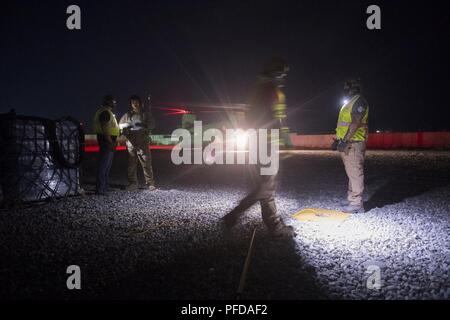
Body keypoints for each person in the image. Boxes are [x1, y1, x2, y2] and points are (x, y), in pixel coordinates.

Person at [222, 57, 296, 238]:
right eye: (283, 72)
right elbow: (279, 119)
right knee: (267, 187)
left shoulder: (257, 89)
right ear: (277, 72)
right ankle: (235, 215)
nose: (284, 76)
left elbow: (249, 117)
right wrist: (286, 141)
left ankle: (272, 224)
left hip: (256, 142)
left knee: (265, 186)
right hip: (267, 143)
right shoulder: (273, 91)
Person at [333, 79, 369, 213]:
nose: (346, 90)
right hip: (349, 142)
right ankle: (352, 199)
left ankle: (356, 204)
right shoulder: (350, 102)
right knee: (351, 173)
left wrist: (345, 141)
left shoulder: (359, 101)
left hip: (353, 143)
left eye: (347, 88)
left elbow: (355, 123)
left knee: (355, 173)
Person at [119, 95, 156, 191]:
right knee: (131, 164)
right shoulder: (127, 115)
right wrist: (125, 128)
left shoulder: (146, 114)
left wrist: (144, 125)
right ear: (131, 104)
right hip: (131, 142)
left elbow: (152, 124)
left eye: (136, 102)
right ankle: (133, 183)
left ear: (140, 103)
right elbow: (120, 126)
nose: (135, 104)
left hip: (143, 142)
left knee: (146, 163)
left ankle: (150, 183)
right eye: (132, 102)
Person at [93, 95, 119, 195]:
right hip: (106, 140)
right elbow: (105, 128)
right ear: (109, 102)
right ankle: (100, 188)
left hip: (107, 140)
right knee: (104, 165)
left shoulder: (107, 112)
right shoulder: (105, 112)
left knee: (107, 165)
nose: (115, 104)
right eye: (114, 102)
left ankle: (105, 186)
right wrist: (110, 141)